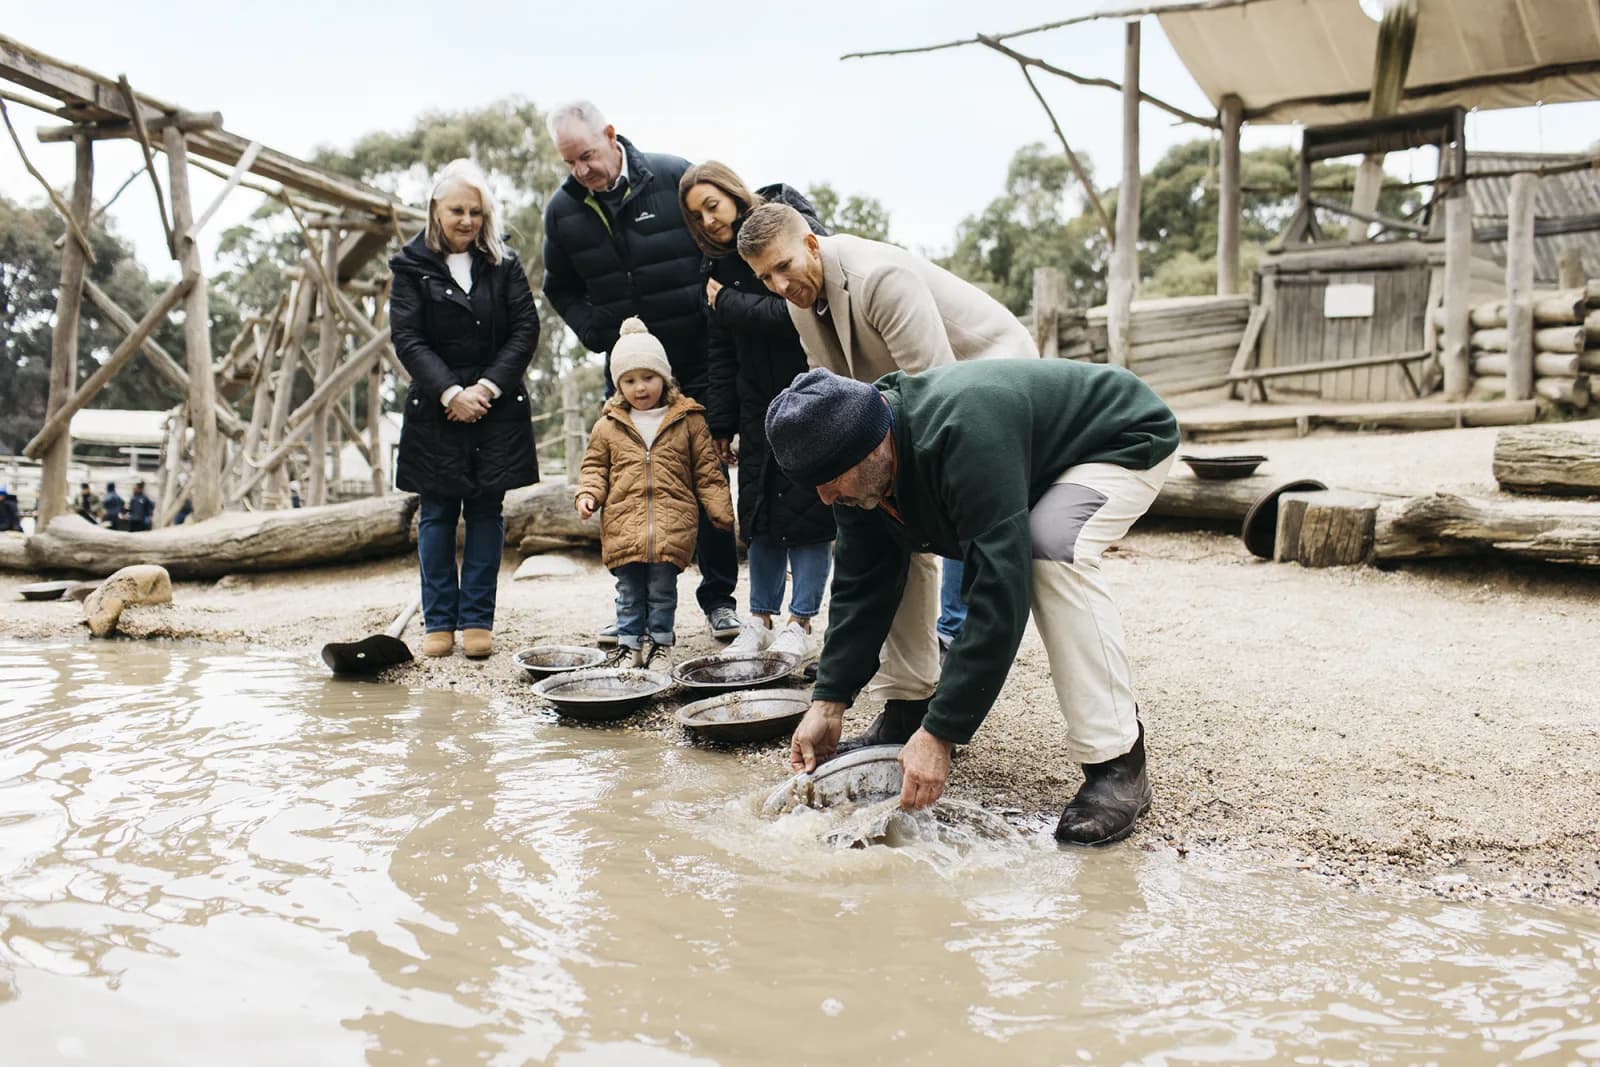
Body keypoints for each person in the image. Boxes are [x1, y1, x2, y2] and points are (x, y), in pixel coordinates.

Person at [766, 362, 1179, 846]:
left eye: (830, 479)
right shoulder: (852, 454)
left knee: (1048, 548)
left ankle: (1116, 761)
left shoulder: (965, 435)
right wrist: (829, 702)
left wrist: (944, 733)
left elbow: (998, 593)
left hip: (1118, 436)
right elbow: (862, 583)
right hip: (1023, 455)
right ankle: (907, 713)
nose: (823, 495)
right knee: (887, 545)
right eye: (812, 483)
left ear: (874, 446)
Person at [736, 201, 1038, 742]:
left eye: (783, 267)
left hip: (987, 383)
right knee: (885, 525)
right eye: (764, 277)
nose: (779, 285)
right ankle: (909, 700)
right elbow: (827, 391)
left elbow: (942, 388)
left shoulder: (881, 277)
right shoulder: (799, 299)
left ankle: (938, 716)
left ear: (811, 243)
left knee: (942, 534)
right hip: (900, 409)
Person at [541, 100, 741, 646]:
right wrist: (596, 332)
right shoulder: (562, 211)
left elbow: (716, 241)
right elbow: (558, 286)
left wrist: (715, 307)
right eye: (570, 162)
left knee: (706, 481)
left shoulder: (674, 175)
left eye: (587, 156)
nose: (581, 170)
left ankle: (719, 599)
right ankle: (633, 612)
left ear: (610, 136)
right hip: (627, 374)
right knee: (631, 489)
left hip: (696, 362)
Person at [678, 163, 835, 670]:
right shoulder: (717, 268)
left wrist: (729, 304)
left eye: (712, 205)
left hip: (809, 391)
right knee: (761, 516)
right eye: (696, 215)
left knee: (810, 514)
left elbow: (796, 313)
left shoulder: (788, 229)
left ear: (732, 192)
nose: (706, 220)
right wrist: (722, 422)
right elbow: (721, 351)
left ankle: (801, 623)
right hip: (755, 406)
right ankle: (760, 620)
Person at [389, 158, 540, 660]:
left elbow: (525, 330)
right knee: (435, 513)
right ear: (435, 207)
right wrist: (452, 393)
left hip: (494, 408)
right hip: (437, 409)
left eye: (476, 212)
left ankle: (476, 621)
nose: (467, 221)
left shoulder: (505, 264)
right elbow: (407, 338)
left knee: (485, 512)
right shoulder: (409, 266)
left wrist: (487, 388)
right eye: (457, 210)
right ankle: (439, 623)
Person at [574, 318, 734, 670]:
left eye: (648, 377)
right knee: (629, 593)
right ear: (618, 384)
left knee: (662, 591)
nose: (640, 388)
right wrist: (588, 495)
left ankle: (661, 644)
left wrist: (720, 510)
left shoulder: (689, 420)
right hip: (623, 523)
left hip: (671, 524)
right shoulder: (608, 425)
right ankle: (629, 645)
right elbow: (595, 469)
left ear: (665, 377)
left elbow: (707, 472)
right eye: (629, 380)